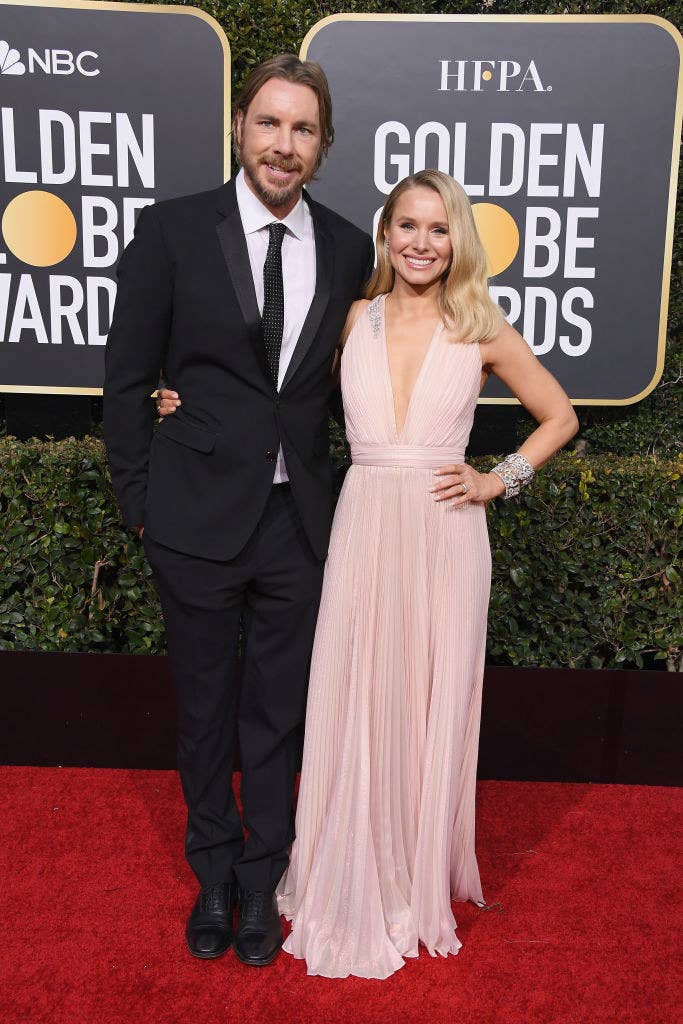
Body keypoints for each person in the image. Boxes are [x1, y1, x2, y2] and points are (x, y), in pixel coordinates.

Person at [158, 168, 578, 978]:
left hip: (443, 534)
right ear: (385, 237)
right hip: (358, 525)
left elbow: (558, 415)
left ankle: (408, 869)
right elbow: (269, 392)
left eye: (437, 228)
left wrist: (498, 479)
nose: (421, 243)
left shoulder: (483, 326)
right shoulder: (353, 316)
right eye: (406, 227)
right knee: (353, 696)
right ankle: (338, 855)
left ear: (458, 239)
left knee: (423, 697)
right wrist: (184, 401)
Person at [103, 54, 374, 967]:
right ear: (239, 127)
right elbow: (127, 383)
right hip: (192, 523)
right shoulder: (172, 232)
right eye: (269, 124)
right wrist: (142, 505)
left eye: (302, 130)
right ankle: (210, 871)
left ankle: (261, 881)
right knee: (206, 712)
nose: (283, 145)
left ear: (322, 145)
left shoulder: (347, 247)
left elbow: (351, 381)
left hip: (298, 525)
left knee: (276, 716)